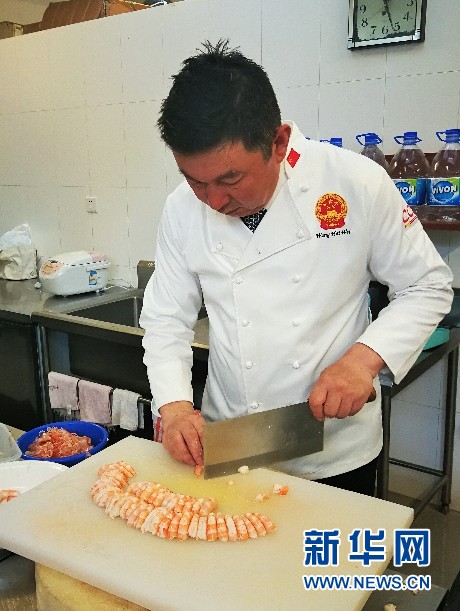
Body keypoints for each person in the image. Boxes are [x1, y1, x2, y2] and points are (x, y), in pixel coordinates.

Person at [139, 40, 453, 496]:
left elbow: (427, 285)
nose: (213, 200)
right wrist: (173, 406)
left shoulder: (354, 182)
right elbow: (166, 318)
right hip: (229, 441)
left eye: (230, 179)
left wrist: (362, 361)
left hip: (334, 448)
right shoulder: (181, 208)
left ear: (279, 143)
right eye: (195, 181)